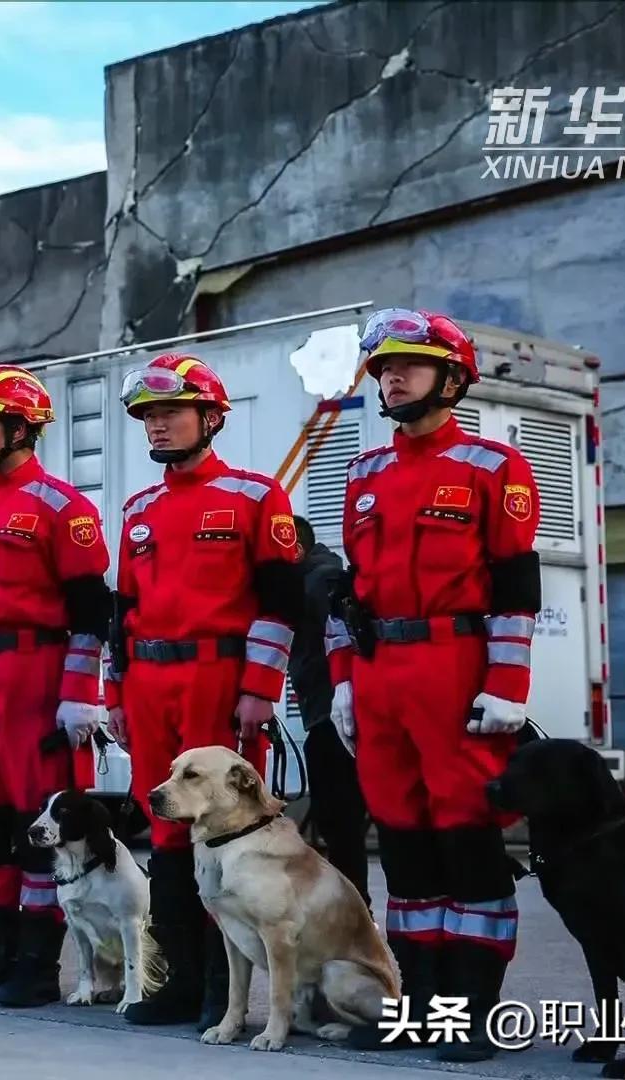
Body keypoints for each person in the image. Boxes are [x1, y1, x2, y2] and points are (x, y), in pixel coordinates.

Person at [326, 308, 541, 1060]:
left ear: (452, 378)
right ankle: (420, 1007)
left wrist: (507, 682)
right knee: (406, 843)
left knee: (466, 838)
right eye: (383, 366)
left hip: (455, 671)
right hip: (381, 674)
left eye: (408, 364)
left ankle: (472, 1010)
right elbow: (349, 592)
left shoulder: (493, 467)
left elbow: (516, 587)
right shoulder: (364, 474)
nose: (391, 375)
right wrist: (344, 679)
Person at [105, 353, 303, 1027]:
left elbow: (280, 604)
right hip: (149, 682)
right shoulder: (138, 510)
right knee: (164, 830)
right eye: (149, 416)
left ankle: (229, 989)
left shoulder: (254, 496)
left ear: (212, 418)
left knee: (225, 833)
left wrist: (260, 688)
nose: (156, 426)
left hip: (220, 679)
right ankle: (181, 983)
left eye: (170, 413)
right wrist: (114, 695)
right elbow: (120, 614)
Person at [0, 364, 111, 1009]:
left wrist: (78, 692)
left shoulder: (62, 506)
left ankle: (37, 962)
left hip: (33, 674)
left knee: (35, 823)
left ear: (19, 427)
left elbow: (91, 611)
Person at [292, 517, 369, 904]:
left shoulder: (319, 581)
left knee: (340, 823)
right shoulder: (318, 575)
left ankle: (353, 910)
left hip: (333, 717)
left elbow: (343, 635)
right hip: (331, 711)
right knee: (342, 822)